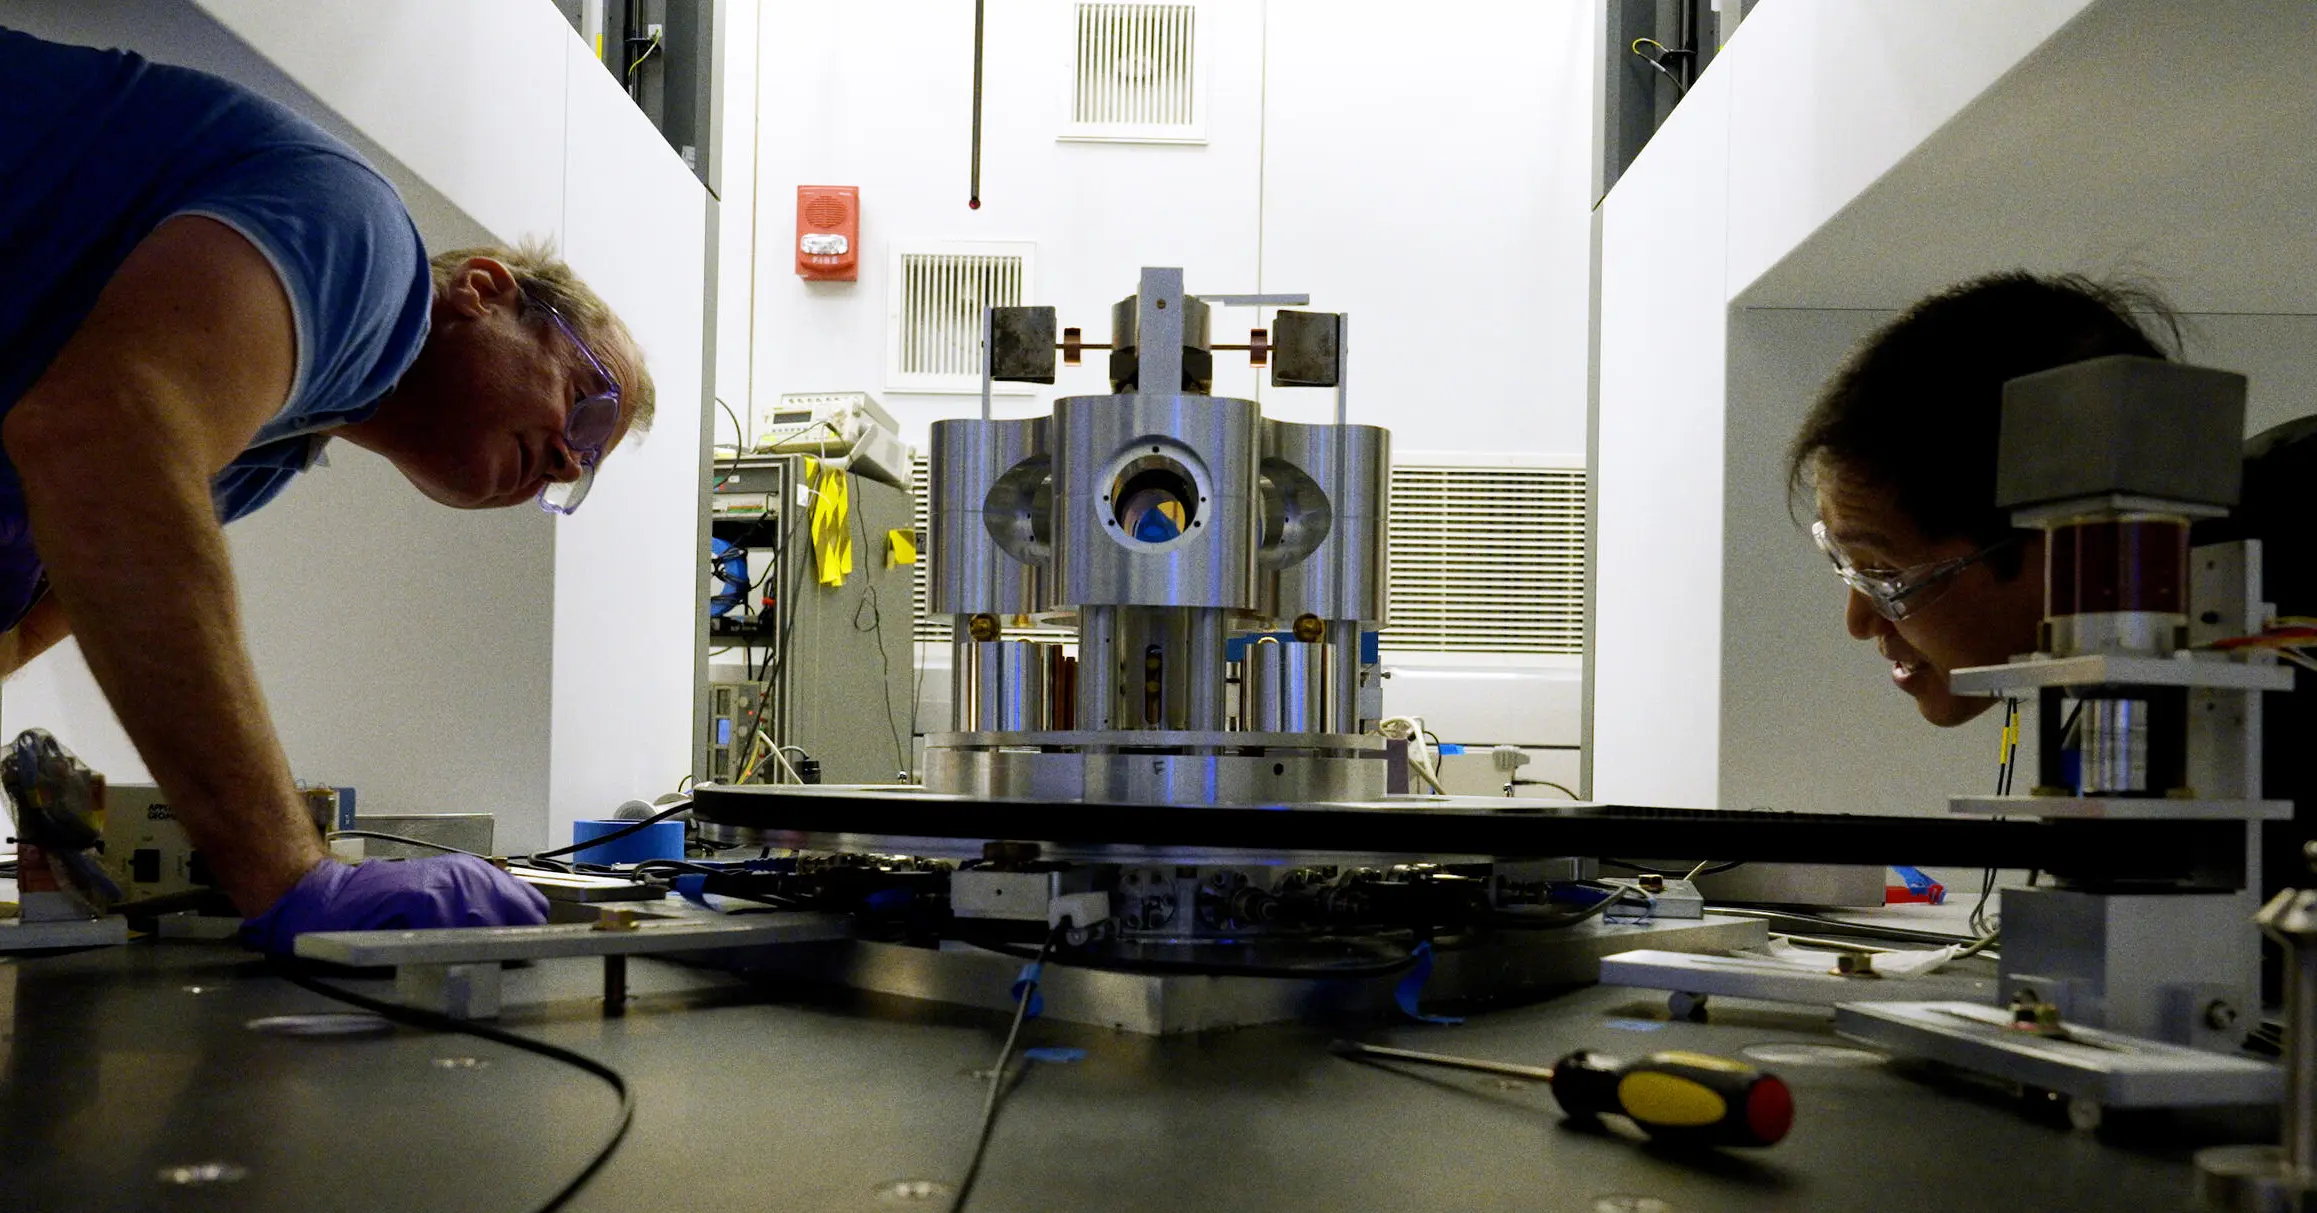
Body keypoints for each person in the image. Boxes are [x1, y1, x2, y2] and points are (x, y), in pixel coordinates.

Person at [0, 28, 657, 950]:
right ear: (484, 289)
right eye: (584, 411)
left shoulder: (259, 455)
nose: (565, 464)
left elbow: (20, 628)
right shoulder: (366, 241)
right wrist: (288, 872)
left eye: (583, 473)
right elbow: (99, 435)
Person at [1787, 270, 2317, 939]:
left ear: (2059, 537)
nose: (1859, 621)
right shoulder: (2138, 703)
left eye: (1885, 573)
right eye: (1844, 565)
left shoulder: (2276, 620)